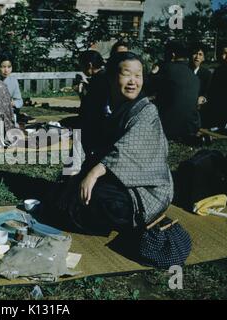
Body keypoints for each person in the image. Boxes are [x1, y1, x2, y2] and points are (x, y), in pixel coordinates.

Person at [49, 52, 173, 237]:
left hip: (143, 188)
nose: (133, 82)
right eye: (126, 74)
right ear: (112, 77)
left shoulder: (146, 111)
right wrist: (74, 176)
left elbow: (127, 150)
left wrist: (92, 174)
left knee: (100, 200)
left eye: (138, 76)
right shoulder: (101, 104)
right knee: (61, 189)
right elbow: (83, 140)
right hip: (108, 177)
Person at [152, 41, 201, 141]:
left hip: (168, 128)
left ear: (172, 55)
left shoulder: (166, 69)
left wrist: (153, 73)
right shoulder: (193, 75)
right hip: (191, 127)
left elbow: (147, 88)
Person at [76, 50, 109, 156]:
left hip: (95, 124)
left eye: (81, 66)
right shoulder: (104, 76)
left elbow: (89, 105)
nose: (81, 69)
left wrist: (81, 93)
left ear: (89, 65)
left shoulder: (99, 80)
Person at [0, 52, 23, 124]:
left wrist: (14, 103)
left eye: (9, 67)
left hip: (9, 113)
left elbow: (19, 100)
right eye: (3, 67)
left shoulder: (13, 81)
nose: (6, 70)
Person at [189, 44, 212, 108]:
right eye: (195, 54)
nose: (197, 57)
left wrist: (203, 98)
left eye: (200, 54)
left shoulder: (207, 74)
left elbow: (208, 92)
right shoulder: (184, 71)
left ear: (203, 58)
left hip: (200, 107)